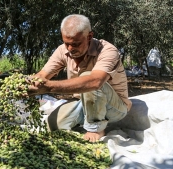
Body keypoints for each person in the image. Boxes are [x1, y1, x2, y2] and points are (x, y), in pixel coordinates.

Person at [28, 14, 132, 142]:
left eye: (76, 44)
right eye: (66, 43)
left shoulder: (107, 50)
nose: (70, 49)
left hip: (114, 108)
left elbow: (95, 82)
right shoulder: (63, 50)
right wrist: (27, 85)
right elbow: (41, 76)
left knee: (87, 77)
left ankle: (96, 128)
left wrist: (48, 87)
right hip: (82, 104)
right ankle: (86, 120)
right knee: (52, 126)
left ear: (89, 36)